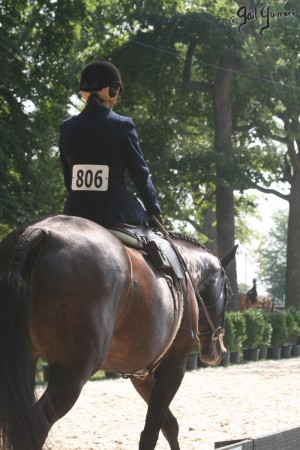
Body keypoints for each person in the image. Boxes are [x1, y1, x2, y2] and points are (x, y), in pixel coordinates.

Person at [59, 59, 162, 227]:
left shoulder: (66, 127)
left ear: (83, 93)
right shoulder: (121, 125)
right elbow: (139, 173)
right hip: (116, 212)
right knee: (159, 247)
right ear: (113, 91)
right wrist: (153, 208)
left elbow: (68, 178)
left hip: (74, 212)